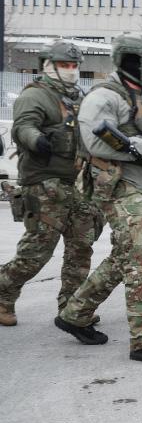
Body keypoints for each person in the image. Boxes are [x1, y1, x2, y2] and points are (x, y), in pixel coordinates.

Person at [56, 32, 142, 364]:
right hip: (120, 185)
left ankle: (75, 313)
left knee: (124, 256)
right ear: (130, 62)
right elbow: (96, 140)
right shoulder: (104, 97)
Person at [0, 41, 102, 327]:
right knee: (37, 251)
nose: (71, 70)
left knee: (81, 246)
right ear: (48, 66)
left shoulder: (78, 96)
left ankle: (71, 308)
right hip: (43, 183)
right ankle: (3, 293)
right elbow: (23, 126)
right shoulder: (36, 95)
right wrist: (36, 139)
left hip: (76, 183)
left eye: (74, 65)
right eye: (64, 65)